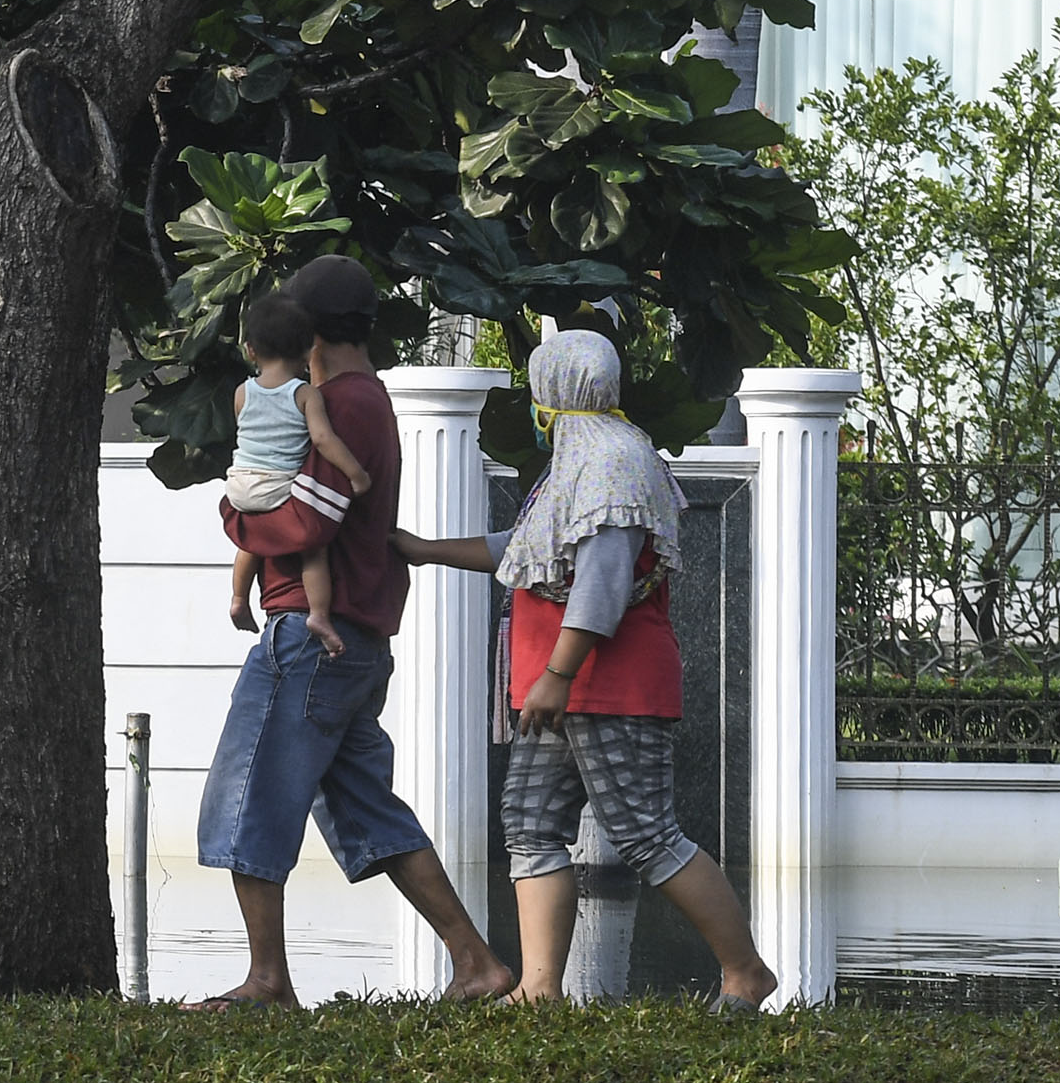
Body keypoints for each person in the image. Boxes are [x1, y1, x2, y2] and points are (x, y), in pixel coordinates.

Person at [394, 328, 778, 1009]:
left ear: (553, 391)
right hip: (560, 687)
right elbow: (530, 549)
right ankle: (540, 989)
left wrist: (559, 673)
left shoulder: (611, 461)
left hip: (604, 685)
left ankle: (745, 971)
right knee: (531, 823)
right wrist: (426, 549)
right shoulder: (582, 458)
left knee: (645, 834)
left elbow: (601, 579)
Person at [193, 253, 516, 1008]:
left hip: (310, 642)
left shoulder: (338, 402)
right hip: (357, 643)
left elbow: (309, 515)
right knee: (369, 809)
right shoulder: (364, 398)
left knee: (248, 796)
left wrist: (232, 515)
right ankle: (478, 963)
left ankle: (268, 981)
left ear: (305, 333)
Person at [225, 289, 373, 659]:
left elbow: (245, 434)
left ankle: (239, 598)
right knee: (313, 548)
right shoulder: (304, 394)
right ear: (309, 352)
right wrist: (356, 475)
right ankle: (319, 616)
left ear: (250, 350)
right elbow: (323, 440)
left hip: (239, 486)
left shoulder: (242, 392)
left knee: (251, 542)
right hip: (278, 486)